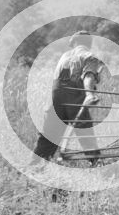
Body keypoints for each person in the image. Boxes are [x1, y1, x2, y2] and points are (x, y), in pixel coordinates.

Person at [32, 30, 102, 165]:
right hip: (74, 97)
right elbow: (88, 76)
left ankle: (35, 166)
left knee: (49, 135)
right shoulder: (89, 56)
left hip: (55, 99)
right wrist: (89, 94)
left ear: (74, 41)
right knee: (85, 131)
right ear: (89, 43)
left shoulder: (64, 56)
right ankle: (96, 163)